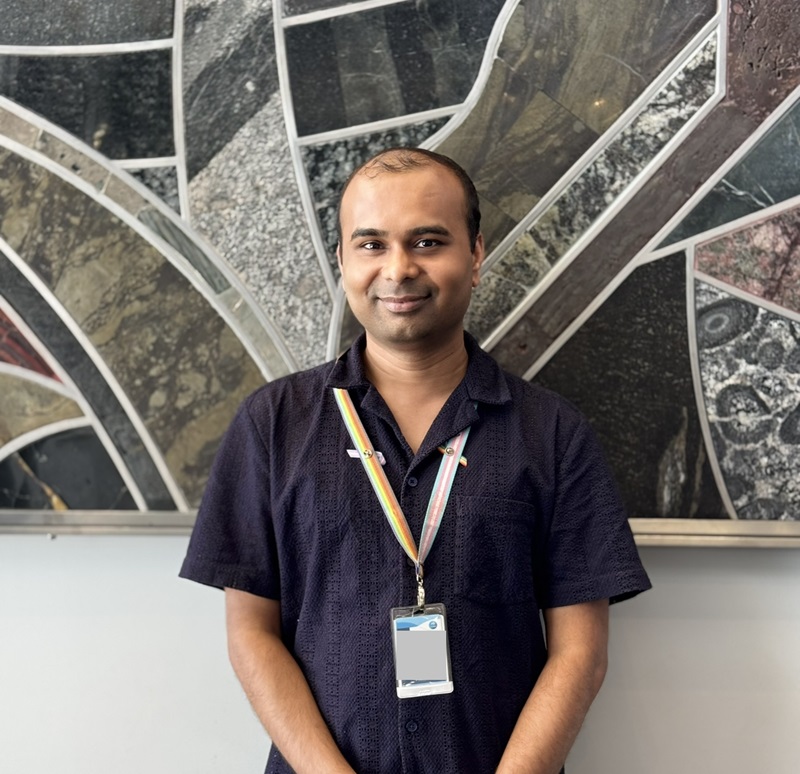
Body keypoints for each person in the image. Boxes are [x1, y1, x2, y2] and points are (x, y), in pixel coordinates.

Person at [180, 147, 651, 773]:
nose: (398, 269)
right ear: (342, 260)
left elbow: (580, 652)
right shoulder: (271, 425)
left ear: (476, 254)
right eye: (371, 244)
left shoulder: (554, 433)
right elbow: (250, 634)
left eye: (428, 241)